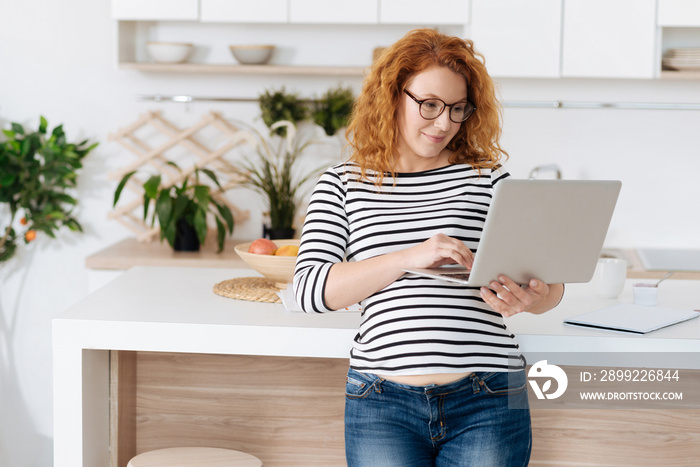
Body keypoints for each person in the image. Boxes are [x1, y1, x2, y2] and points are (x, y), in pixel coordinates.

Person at [293, 28, 565, 467]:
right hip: (381, 402)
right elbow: (309, 291)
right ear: (392, 95)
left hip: (489, 397)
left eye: (458, 109)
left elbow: (551, 288)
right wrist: (408, 257)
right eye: (430, 105)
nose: (444, 123)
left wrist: (534, 298)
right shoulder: (342, 184)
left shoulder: (489, 181)